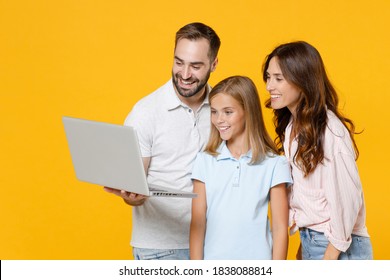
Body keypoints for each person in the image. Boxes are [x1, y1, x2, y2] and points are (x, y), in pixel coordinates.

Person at [104, 22, 221, 260]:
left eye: (196, 66)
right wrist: (131, 195)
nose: (185, 74)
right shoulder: (145, 112)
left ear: (214, 64)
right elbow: (133, 194)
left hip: (215, 242)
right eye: (179, 62)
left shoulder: (224, 108)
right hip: (161, 249)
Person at [262, 41, 373, 260]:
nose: (268, 86)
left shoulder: (330, 130)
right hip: (316, 241)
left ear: (302, 80)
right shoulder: (293, 127)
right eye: (268, 77)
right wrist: (306, 246)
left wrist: (329, 256)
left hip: (338, 246)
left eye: (278, 78)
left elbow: (348, 197)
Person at [190, 75, 292, 260]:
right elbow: (197, 226)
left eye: (228, 112)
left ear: (248, 111)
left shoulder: (274, 164)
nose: (219, 119)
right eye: (214, 111)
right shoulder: (204, 161)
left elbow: (279, 229)